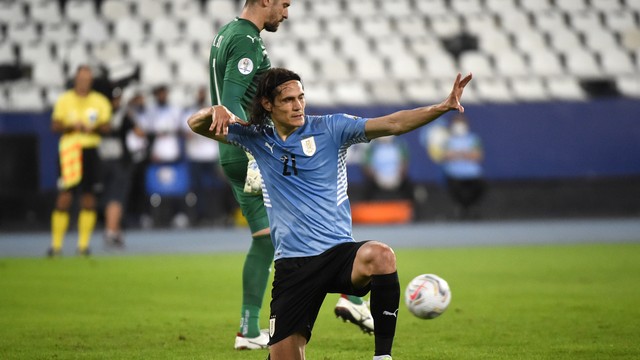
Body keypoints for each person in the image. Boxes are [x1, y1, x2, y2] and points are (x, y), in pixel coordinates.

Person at [187, 68, 473, 360]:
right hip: (293, 267)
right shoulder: (256, 137)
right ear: (267, 104)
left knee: (381, 255)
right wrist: (216, 110)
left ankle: (383, 357)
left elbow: (394, 124)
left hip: (338, 254)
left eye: (301, 97)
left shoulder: (332, 128)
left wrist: (442, 106)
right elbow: (194, 124)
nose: (298, 105)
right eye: (288, 100)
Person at [207, 0, 374, 348]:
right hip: (251, 151)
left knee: (264, 238)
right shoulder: (246, 39)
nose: (286, 12)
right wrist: (253, 145)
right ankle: (353, 297)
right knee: (321, 205)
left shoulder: (225, 34)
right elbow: (229, 101)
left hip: (231, 154)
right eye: (283, 3)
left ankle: (249, 327)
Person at [47, 65, 112, 257]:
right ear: (76, 79)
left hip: (90, 150)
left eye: (87, 78)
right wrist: (70, 125)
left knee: (88, 197)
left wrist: (94, 127)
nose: (84, 81)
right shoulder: (65, 99)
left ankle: (83, 246)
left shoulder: (99, 101)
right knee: (65, 196)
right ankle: (56, 246)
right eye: (82, 78)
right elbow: (55, 124)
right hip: (69, 151)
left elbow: (108, 126)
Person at [98, 87, 145, 248]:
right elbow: (139, 132)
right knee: (116, 197)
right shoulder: (122, 114)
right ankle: (111, 231)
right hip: (118, 161)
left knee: (110, 197)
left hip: (102, 159)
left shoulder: (98, 112)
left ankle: (115, 231)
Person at [181, 86, 234, 226]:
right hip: (196, 155)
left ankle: (215, 215)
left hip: (210, 155)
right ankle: (199, 216)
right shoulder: (189, 111)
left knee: (214, 187)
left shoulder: (213, 111)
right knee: (197, 188)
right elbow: (186, 132)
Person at [442, 113, 485, 219]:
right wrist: (465, 154)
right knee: (454, 187)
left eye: (462, 123)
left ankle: (471, 207)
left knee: (481, 186)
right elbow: (446, 155)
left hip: (472, 174)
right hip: (455, 174)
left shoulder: (473, 138)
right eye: (457, 123)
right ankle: (461, 208)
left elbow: (478, 155)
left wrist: (458, 154)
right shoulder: (448, 140)